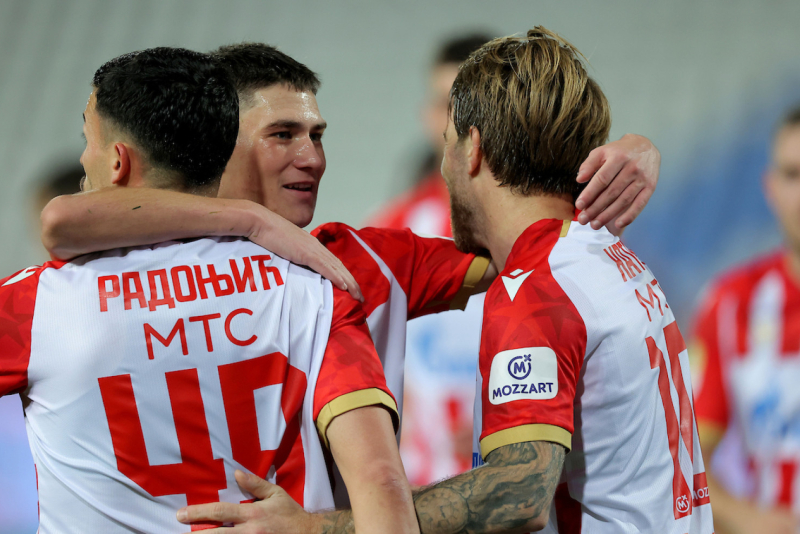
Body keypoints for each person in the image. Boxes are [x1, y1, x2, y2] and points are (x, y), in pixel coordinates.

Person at [176, 27, 713, 534]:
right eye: (282, 135)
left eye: (316, 135)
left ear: (472, 148)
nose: (312, 157)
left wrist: (313, 527)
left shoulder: (377, 263)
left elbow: (519, 493)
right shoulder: (601, 256)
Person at [1, 47, 418, 533]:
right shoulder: (313, 289)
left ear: (117, 162)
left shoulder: (36, 306)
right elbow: (381, 483)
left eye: (86, 141)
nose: (80, 158)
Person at [691, 106, 800, 534]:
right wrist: (750, 521)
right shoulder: (730, 305)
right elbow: (688, 459)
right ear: (770, 188)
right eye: (792, 175)